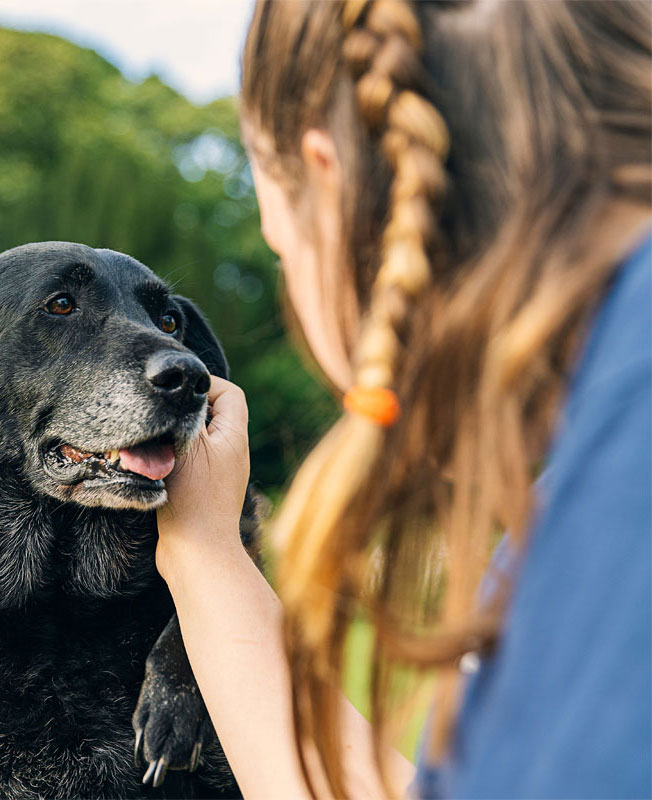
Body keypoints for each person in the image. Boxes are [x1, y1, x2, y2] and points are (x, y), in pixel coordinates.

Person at [155, 1, 651, 797]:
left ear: (329, 178)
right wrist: (204, 551)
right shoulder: (594, 462)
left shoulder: (619, 499)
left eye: (281, 247)